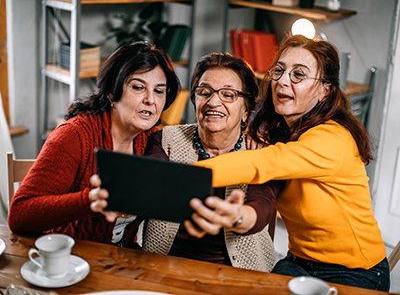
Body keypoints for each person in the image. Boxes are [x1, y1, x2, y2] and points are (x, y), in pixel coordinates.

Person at [194, 35, 390, 291]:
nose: (283, 81)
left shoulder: (333, 138)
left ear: (324, 90)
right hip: (299, 261)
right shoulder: (281, 134)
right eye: (279, 70)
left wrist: (184, 176)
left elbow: (264, 163)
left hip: (357, 272)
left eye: (299, 74)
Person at [90, 52, 283, 272]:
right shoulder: (165, 139)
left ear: (246, 109)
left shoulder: (261, 151)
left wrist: (238, 216)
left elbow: (262, 207)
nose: (213, 101)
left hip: (237, 274)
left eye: (228, 95)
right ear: (195, 100)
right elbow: (153, 183)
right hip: (164, 267)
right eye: (205, 92)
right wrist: (120, 198)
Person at [8, 42, 180, 249]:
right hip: (68, 256)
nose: (150, 100)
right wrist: (89, 200)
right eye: (138, 87)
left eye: (159, 91)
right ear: (111, 92)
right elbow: (19, 215)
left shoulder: (154, 140)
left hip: (120, 258)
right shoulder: (74, 135)